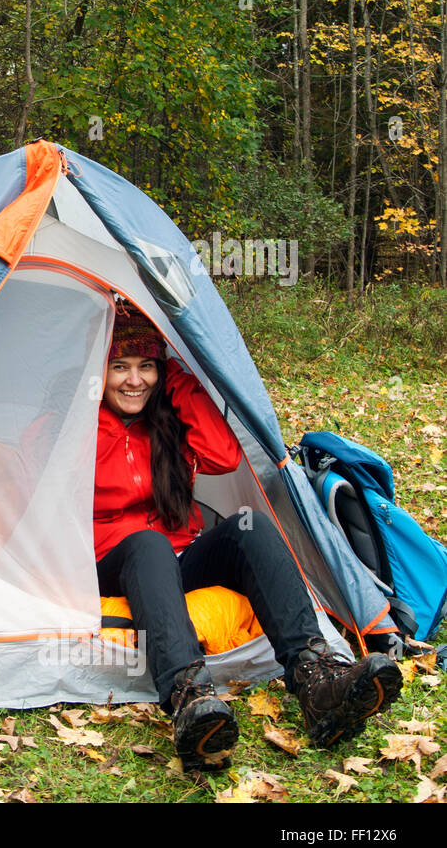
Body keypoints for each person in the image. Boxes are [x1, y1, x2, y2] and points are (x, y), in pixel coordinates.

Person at [95, 306, 403, 770]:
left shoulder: (167, 422)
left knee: (249, 524)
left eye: (146, 365)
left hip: (175, 560)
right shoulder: (78, 428)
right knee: (147, 542)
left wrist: (178, 379)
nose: (134, 380)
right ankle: (189, 697)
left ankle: (314, 676)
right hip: (115, 563)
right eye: (120, 366)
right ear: (99, 371)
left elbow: (222, 456)